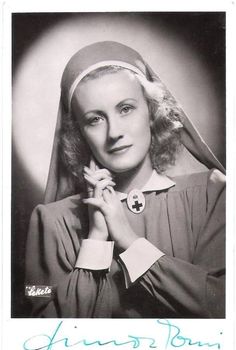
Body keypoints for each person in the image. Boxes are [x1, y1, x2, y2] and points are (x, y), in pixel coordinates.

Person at [25, 41, 225, 318]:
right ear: (78, 132)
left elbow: (224, 305)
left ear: (152, 111)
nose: (114, 132)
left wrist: (128, 240)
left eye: (126, 109)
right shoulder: (50, 220)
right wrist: (96, 239)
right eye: (95, 119)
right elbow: (36, 309)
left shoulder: (213, 195)